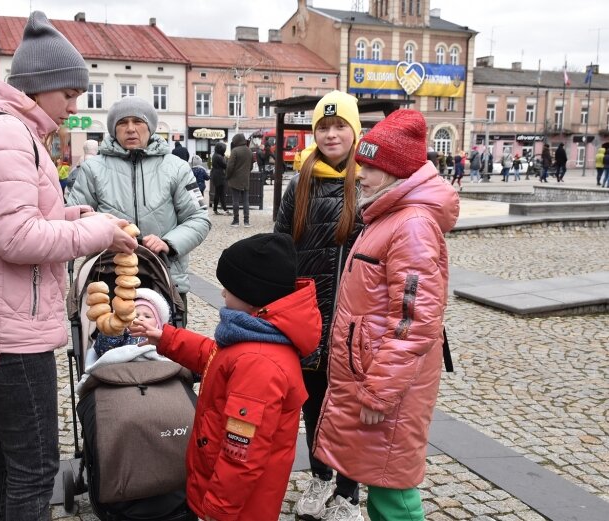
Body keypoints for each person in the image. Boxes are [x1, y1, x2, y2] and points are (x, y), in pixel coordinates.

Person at [0, 11, 138, 521]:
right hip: (12, 328)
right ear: (40, 86)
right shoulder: (6, 136)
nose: (74, 105)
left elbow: (19, 218)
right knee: (35, 466)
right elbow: (16, 237)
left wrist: (76, 215)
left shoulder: (10, 131)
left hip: (3, 317)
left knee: (1, 456)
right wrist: (98, 233)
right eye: (69, 94)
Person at [314, 109, 459, 521]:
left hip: (386, 383)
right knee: (381, 479)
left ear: (395, 172)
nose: (360, 174)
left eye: (371, 166)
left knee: (393, 491)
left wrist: (380, 390)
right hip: (373, 373)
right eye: (361, 164)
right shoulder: (388, 215)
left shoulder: (411, 225)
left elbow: (416, 322)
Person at [130, 232, 322, 521]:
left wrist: (217, 510)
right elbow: (215, 358)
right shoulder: (255, 339)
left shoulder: (258, 364)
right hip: (229, 494)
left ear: (252, 295)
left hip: (238, 507)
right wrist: (165, 338)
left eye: (228, 288)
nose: (221, 294)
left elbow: (241, 456)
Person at [274, 90, 363, 521]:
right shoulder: (301, 180)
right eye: (323, 128)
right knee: (313, 402)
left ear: (355, 131)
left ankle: (349, 493)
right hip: (308, 312)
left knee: (345, 404)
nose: (331, 135)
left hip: (351, 316)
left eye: (339, 126)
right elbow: (280, 243)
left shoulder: (367, 180)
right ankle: (320, 476)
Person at [66, 95, 211, 326]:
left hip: (164, 277)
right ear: (114, 129)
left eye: (138, 122)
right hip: (107, 277)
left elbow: (198, 218)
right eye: (123, 123)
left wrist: (169, 243)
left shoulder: (176, 168)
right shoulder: (92, 169)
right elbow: (73, 215)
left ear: (150, 127)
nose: (131, 129)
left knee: (166, 354)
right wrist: (101, 231)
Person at [91, 287, 171, 357]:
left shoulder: (160, 338)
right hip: (126, 369)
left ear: (158, 324)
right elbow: (103, 351)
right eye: (136, 316)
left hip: (155, 369)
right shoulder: (124, 336)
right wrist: (113, 332)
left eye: (147, 316)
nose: (140, 318)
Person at [226, 133, 253, 227]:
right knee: (246, 201)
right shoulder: (249, 151)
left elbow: (230, 166)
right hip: (245, 180)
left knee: (235, 201)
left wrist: (228, 176)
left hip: (235, 180)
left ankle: (236, 221)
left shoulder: (235, 151)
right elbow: (251, 166)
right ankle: (246, 221)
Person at [211, 142, 229, 215]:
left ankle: (215, 209)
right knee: (221, 193)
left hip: (215, 175)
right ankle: (225, 209)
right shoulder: (219, 157)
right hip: (220, 176)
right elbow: (225, 165)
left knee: (217, 193)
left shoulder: (215, 155)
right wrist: (226, 159)